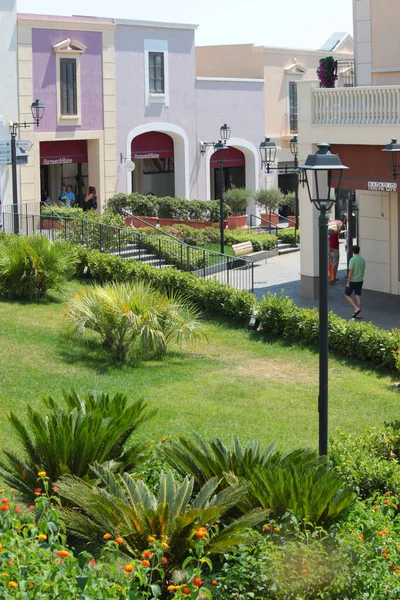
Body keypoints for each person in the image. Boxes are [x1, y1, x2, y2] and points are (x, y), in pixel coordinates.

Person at [344, 245, 366, 319]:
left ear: (352, 251)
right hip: (360, 280)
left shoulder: (352, 260)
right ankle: (358, 314)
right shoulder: (362, 260)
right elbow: (363, 270)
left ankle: (356, 308)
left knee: (347, 294)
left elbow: (351, 271)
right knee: (358, 295)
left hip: (353, 280)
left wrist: (348, 281)